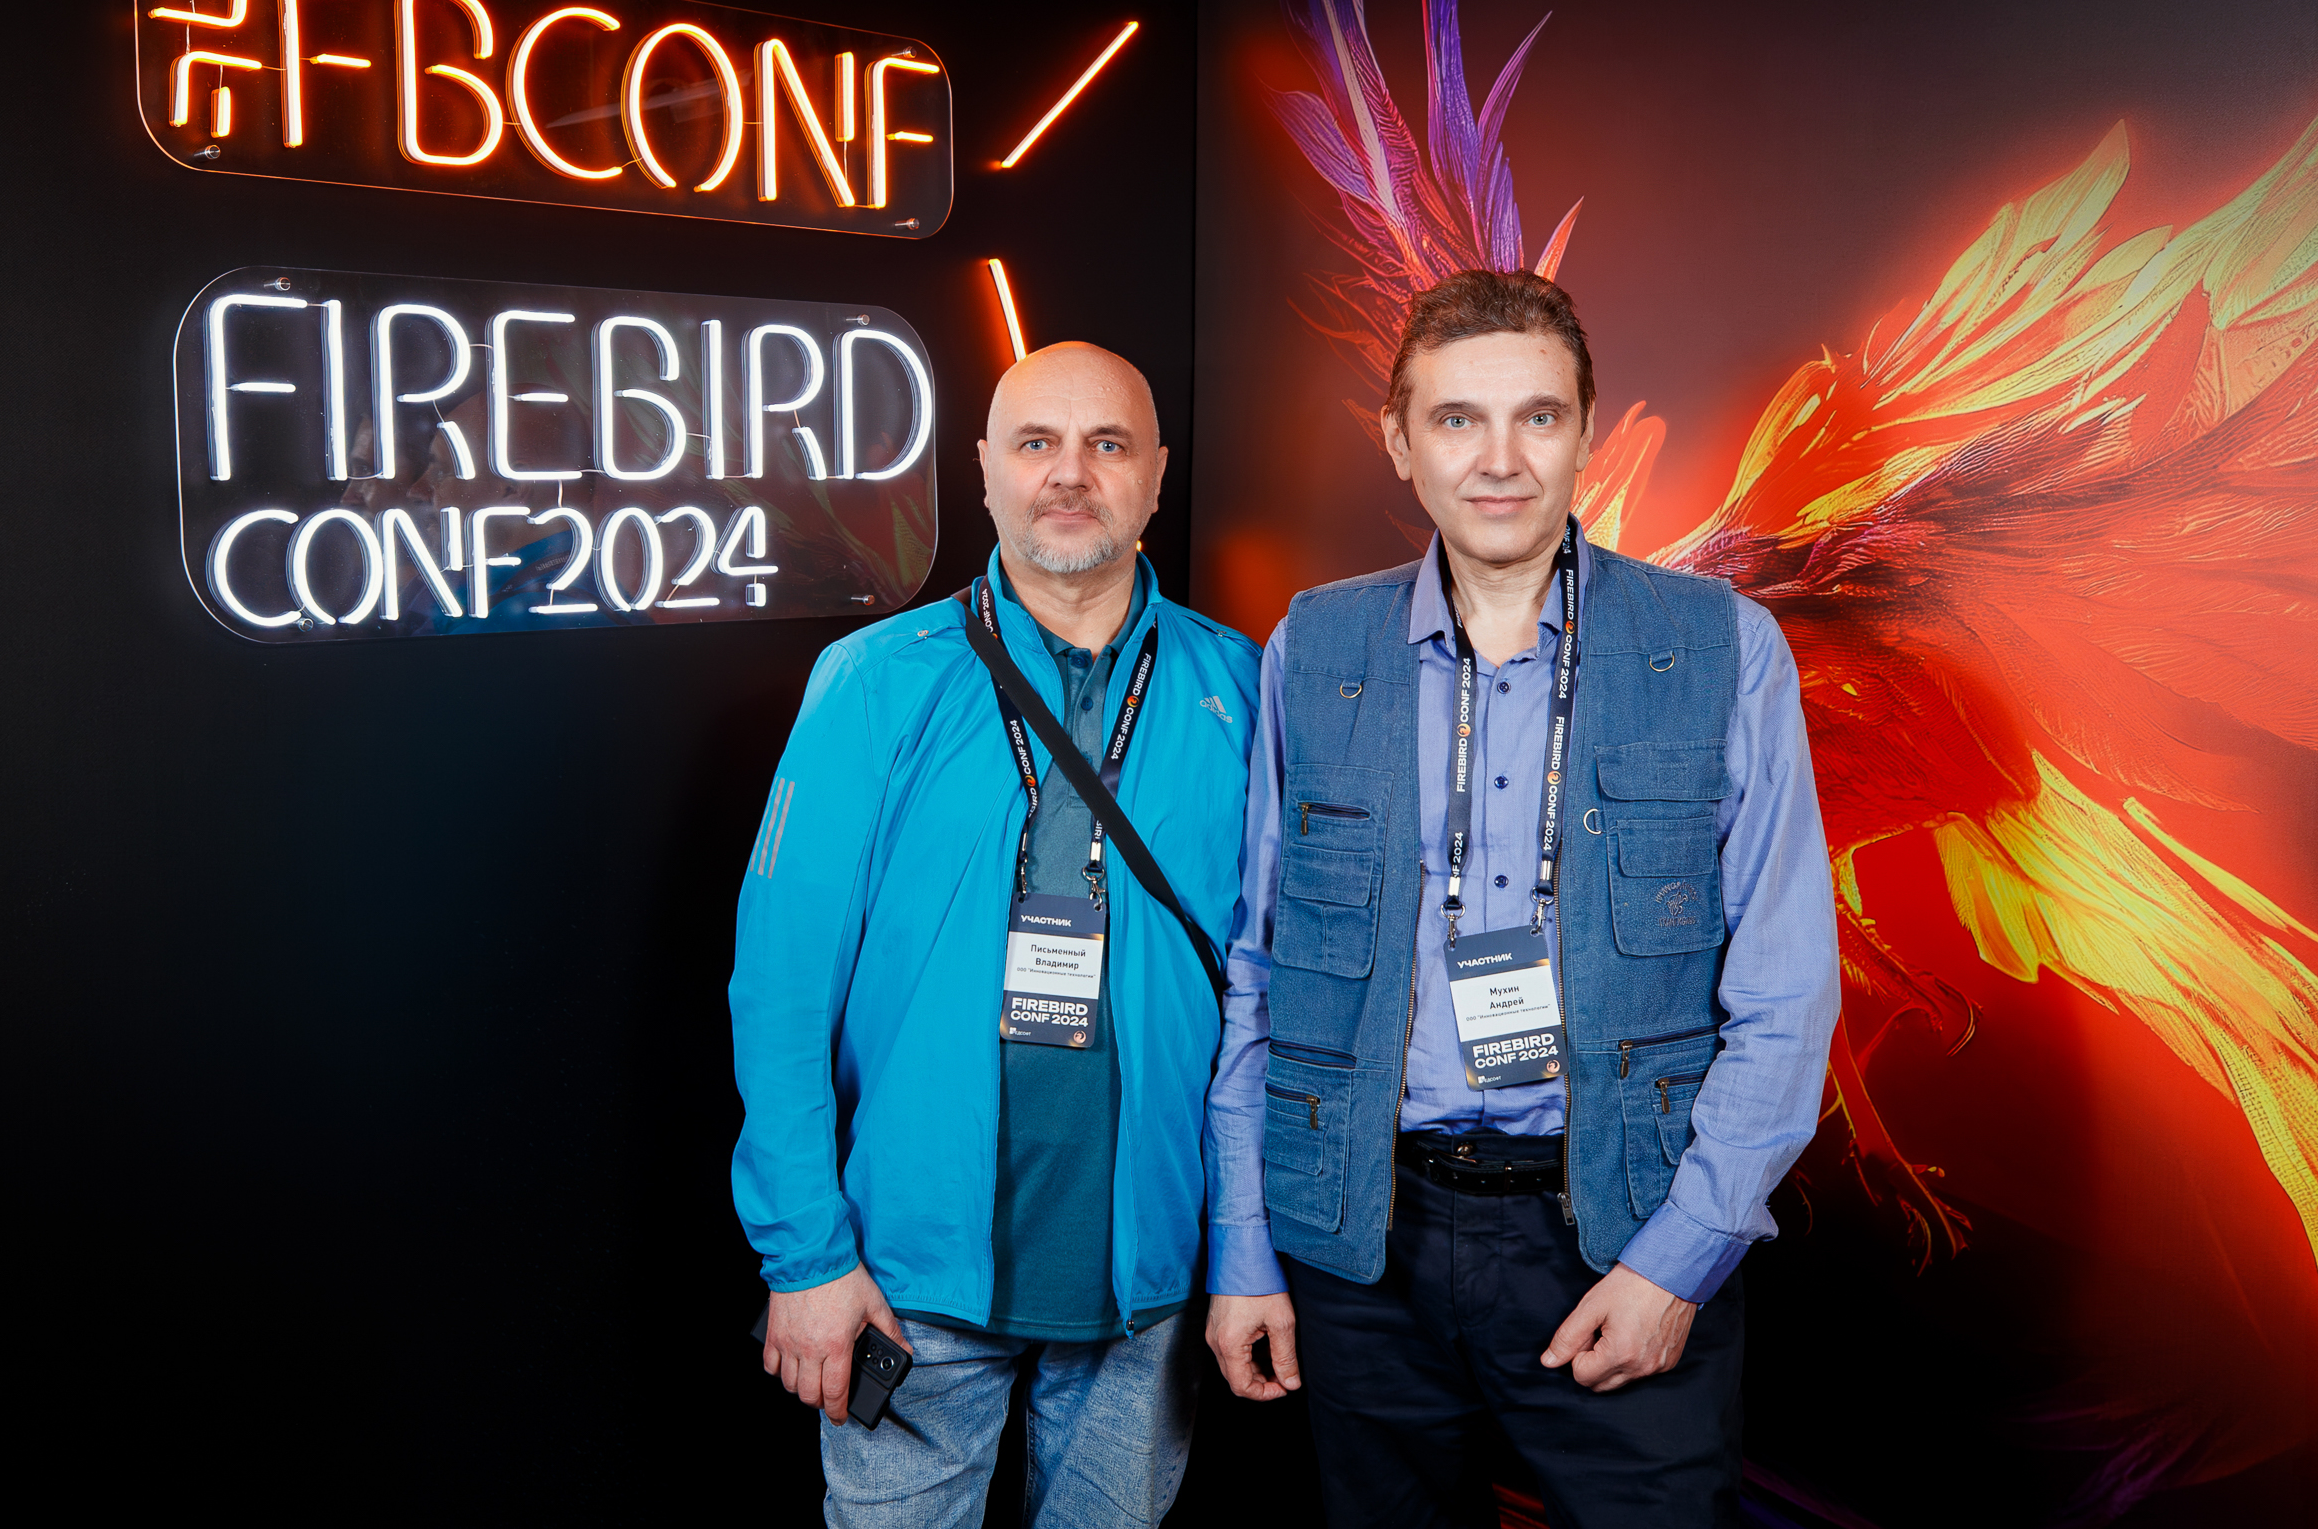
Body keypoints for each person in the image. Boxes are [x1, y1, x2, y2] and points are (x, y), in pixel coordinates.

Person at [1202, 270, 1838, 1527]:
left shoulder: (1720, 647)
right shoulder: (1311, 649)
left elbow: (1785, 995)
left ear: (1586, 429)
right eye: (1456, 420)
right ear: (1398, 440)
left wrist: (1680, 1261)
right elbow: (1258, 972)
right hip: (1360, 1244)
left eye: (1537, 417)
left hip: (1618, 1234)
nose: (1499, 460)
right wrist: (1245, 1247)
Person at [732, 342, 1262, 1527]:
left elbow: (1267, 1001)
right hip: (907, 1274)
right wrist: (805, 1256)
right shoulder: (873, 681)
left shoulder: (1239, 687)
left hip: (1148, 1273)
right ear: (983, 471)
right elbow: (779, 993)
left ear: (1156, 474)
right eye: (1036, 443)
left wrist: (1245, 1253)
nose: (1069, 474)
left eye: (1106, 445)